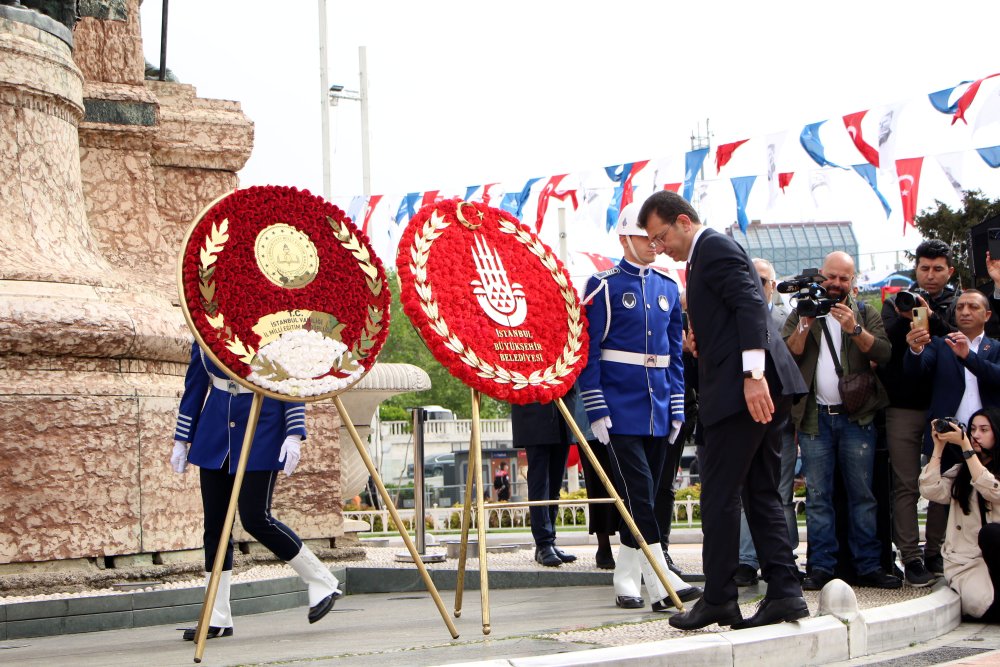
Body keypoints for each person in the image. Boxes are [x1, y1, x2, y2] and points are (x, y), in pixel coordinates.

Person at [640, 190, 807, 631]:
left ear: (683, 222)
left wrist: (753, 376)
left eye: (660, 237)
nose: (659, 248)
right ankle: (786, 593)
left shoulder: (712, 247)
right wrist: (701, 342)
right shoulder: (702, 256)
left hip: (744, 390)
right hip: (746, 385)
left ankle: (719, 598)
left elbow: (751, 304)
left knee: (718, 494)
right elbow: (729, 315)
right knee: (760, 491)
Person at [171, 342, 341, 641]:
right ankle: (216, 615)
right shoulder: (206, 330)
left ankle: (321, 580)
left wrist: (293, 432)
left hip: (262, 426)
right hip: (215, 432)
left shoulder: (272, 331)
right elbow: (196, 385)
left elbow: (290, 381)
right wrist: (182, 438)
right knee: (216, 529)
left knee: (255, 518)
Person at [578, 201, 699, 612]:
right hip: (619, 408)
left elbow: (674, 357)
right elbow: (589, 354)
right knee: (640, 493)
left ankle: (627, 578)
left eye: (656, 237)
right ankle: (661, 579)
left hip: (659, 406)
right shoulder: (602, 284)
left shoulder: (668, 287)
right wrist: (596, 407)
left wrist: (677, 406)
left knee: (644, 495)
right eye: (645, 238)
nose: (654, 245)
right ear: (625, 238)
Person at [783, 251, 899, 591]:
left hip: (857, 418)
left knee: (862, 496)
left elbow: (883, 353)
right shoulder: (802, 312)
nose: (835, 284)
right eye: (830, 277)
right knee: (819, 497)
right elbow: (789, 354)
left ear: (853, 281)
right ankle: (820, 566)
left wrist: (855, 329)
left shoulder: (865, 312)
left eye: (843, 278)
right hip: (813, 419)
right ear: (821, 275)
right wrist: (805, 322)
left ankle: (868, 565)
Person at [878, 239, 958, 585]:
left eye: (938, 268)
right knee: (906, 484)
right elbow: (883, 346)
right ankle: (910, 556)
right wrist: (903, 318)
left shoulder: (959, 303)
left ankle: (936, 552)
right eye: (924, 268)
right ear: (916, 269)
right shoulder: (896, 302)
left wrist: (932, 317)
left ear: (949, 271)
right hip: (902, 406)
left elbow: (957, 337)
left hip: (945, 405)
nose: (930, 275)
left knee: (945, 481)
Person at [734, 258, 798, 587]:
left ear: (773, 285)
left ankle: (782, 561)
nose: (758, 285)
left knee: (779, 494)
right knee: (749, 492)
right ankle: (746, 560)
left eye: (763, 280)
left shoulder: (790, 319)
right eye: (751, 279)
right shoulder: (734, 317)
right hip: (745, 420)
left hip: (782, 420)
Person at [904, 290, 1000, 487]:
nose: (965, 312)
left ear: (987, 315)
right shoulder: (941, 343)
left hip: (989, 440)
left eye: (973, 307)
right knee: (942, 506)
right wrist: (915, 349)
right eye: (960, 307)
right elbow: (916, 371)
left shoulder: (996, 347)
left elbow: (996, 376)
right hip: (947, 439)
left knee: (989, 498)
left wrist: (968, 357)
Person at [918, 409, 1000, 620]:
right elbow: (930, 490)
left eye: (984, 430)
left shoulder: (983, 471)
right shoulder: (959, 472)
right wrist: (939, 446)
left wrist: (965, 447)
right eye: (972, 430)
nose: (976, 435)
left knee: (992, 534)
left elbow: (991, 489)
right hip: (968, 562)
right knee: (984, 605)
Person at [511, 399, 578, 567]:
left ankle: (550, 540)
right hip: (534, 413)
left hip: (562, 413)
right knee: (540, 483)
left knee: (555, 483)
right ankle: (543, 543)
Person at [569, 387, 618, 569]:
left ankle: (636, 544)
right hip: (590, 413)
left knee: (631, 483)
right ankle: (603, 545)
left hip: (624, 410)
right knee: (596, 484)